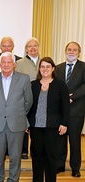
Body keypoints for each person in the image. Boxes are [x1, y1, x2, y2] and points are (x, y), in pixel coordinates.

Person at [0, 52, 33, 182]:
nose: (6, 65)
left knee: (15, 157)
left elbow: (28, 101)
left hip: (17, 123)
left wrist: (18, 114)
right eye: (4, 62)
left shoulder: (24, 78)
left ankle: (13, 180)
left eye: (9, 62)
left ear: (14, 64)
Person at [27, 57, 70, 182]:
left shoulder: (60, 85)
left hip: (53, 127)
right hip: (35, 127)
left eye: (47, 67)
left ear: (53, 69)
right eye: (42, 67)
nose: (45, 69)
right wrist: (26, 123)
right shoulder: (33, 85)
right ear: (39, 69)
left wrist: (64, 123)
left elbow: (66, 106)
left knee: (51, 157)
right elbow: (28, 105)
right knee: (36, 156)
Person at [55, 41, 85, 177]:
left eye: (74, 50)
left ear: (79, 53)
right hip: (60, 111)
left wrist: (72, 97)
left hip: (76, 110)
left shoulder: (83, 67)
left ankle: (75, 168)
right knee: (60, 140)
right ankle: (59, 165)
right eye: (69, 49)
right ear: (65, 51)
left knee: (74, 140)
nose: (71, 52)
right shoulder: (58, 68)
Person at [15, 37, 41, 159]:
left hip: (41, 99)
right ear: (26, 49)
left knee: (36, 126)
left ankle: (36, 151)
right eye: (29, 46)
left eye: (35, 45)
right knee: (24, 124)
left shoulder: (44, 62)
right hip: (25, 98)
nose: (32, 48)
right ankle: (23, 151)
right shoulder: (19, 63)